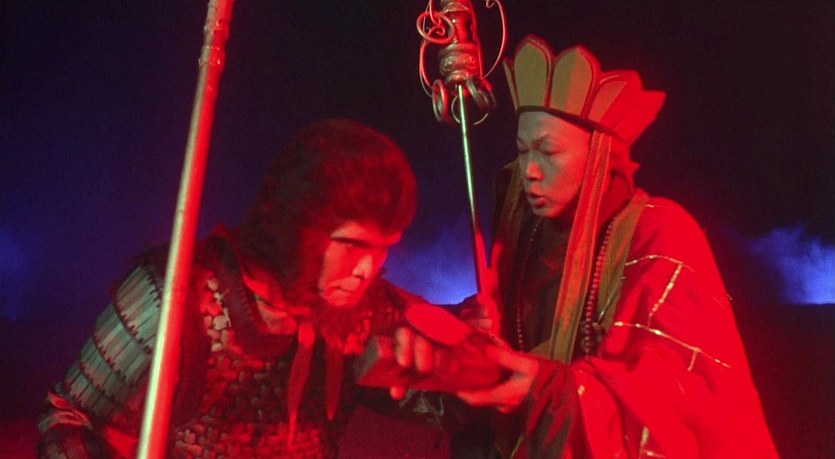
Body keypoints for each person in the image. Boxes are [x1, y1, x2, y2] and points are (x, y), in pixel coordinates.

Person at [395, 35, 778, 458]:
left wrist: (551, 392)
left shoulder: (660, 231)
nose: (530, 170)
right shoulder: (524, 234)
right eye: (522, 151)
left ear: (599, 154)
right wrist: (477, 340)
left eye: (549, 151)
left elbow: (678, 397)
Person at [37, 118, 425, 458]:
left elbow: (441, 402)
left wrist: (451, 372)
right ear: (300, 228)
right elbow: (71, 419)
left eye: (383, 248)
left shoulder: (364, 311)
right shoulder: (177, 294)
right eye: (353, 244)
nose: (367, 270)